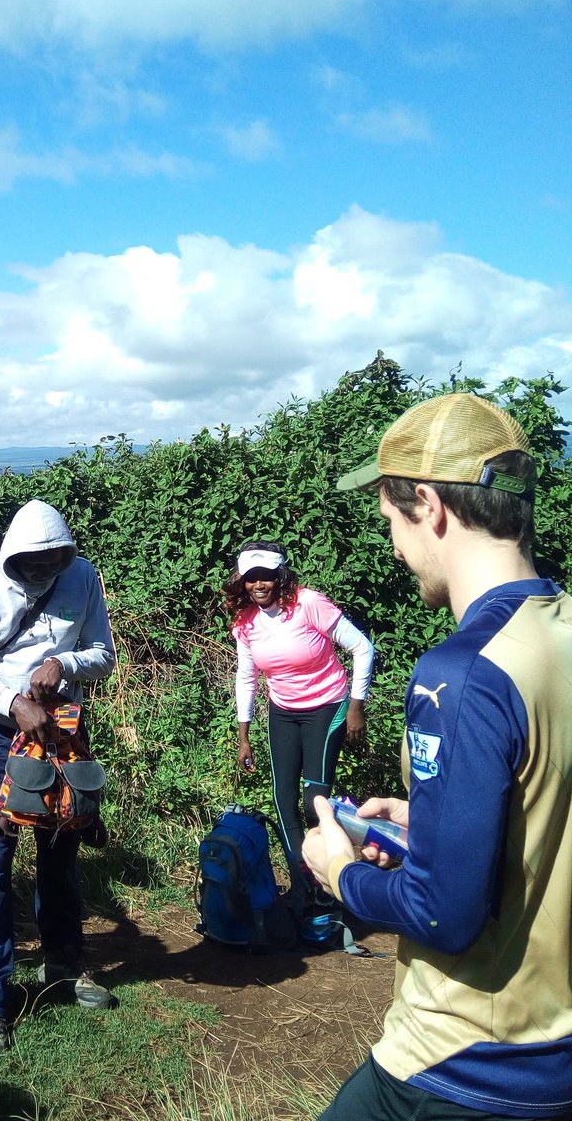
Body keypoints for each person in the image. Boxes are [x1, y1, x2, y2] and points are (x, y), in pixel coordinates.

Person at [302, 393, 572, 1120]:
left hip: (459, 1061)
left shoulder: (460, 674)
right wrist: (431, 822)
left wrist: (344, 875)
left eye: (392, 521)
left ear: (430, 505)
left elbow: (444, 913)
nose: (394, 547)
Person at [0, 498, 117, 1054]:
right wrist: (12, 702)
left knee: (60, 856)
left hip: (63, 736)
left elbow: (103, 655)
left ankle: (62, 966)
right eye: (30, 564)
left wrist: (62, 665)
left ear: (66, 556)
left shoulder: (81, 576)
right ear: (10, 556)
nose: (42, 572)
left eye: (52, 563)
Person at [223, 539, 373, 899]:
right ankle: (303, 883)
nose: (259, 585)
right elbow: (247, 677)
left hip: (328, 706)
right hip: (283, 711)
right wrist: (244, 736)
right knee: (282, 798)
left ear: (281, 576)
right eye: (251, 578)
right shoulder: (245, 622)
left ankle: (332, 883)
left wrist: (356, 706)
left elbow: (362, 647)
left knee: (314, 802)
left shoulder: (309, 604)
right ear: (241, 581)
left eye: (266, 577)